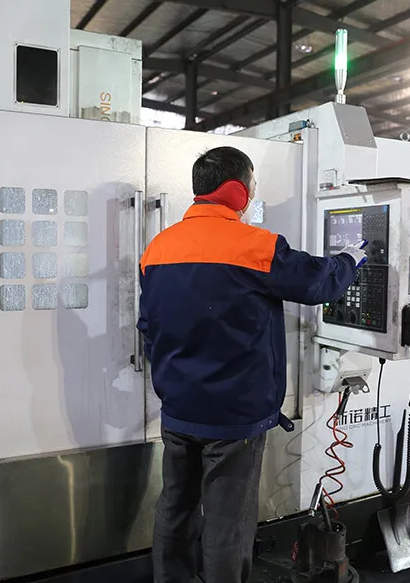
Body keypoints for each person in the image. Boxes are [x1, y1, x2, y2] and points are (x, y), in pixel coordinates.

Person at [138, 146, 368, 583]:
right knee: (228, 522)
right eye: (252, 183)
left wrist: (181, 375)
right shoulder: (255, 246)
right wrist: (349, 260)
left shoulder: (158, 247)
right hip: (234, 417)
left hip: (178, 409)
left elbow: (148, 326)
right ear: (236, 191)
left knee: (176, 506)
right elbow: (319, 283)